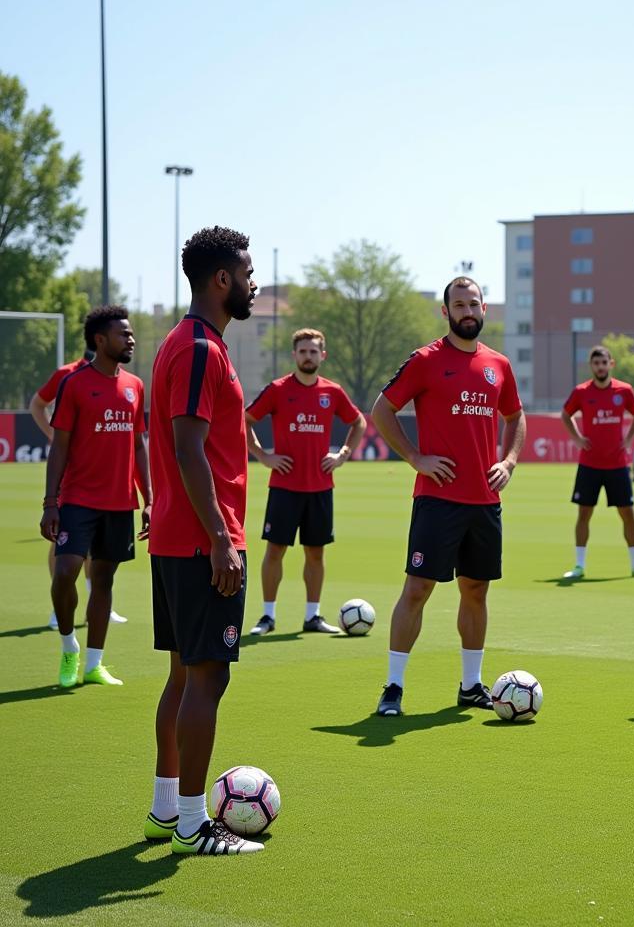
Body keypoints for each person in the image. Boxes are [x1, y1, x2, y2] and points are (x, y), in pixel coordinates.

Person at [145, 226, 264, 856]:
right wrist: (221, 537)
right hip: (201, 541)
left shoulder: (177, 343)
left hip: (177, 533)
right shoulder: (199, 349)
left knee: (181, 678)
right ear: (221, 279)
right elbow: (189, 448)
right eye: (245, 272)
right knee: (206, 680)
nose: (252, 281)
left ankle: (166, 811)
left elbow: (165, 443)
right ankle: (193, 824)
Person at [370, 276, 525, 716]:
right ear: (446, 312)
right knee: (417, 588)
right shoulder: (425, 360)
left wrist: (509, 461)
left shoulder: (499, 364)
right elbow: (382, 410)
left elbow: (516, 416)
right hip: (437, 500)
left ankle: (471, 686)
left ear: (484, 309)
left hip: (484, 501)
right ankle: (394, 688)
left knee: (475, 590)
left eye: (474, 303)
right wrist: (416, 457)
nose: (468, 311)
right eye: (459, 304)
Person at [39, 306, 150, 688]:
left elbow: (139, 445)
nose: (131, 339)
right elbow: (60, 448)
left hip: (120, 503)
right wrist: (50, 502)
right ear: (100, 340)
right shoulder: (74, 384)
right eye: (124, 334)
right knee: (66, 572)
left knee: (103, 582)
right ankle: (69, 645)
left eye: (132, 334)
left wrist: (148, 499)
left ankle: (94, 663)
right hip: (78, 499)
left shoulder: (136, 385)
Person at [245, 328, 366, 636]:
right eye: (303, 351)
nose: (308, 356)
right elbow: (244, 421)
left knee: (316, 553)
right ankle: (267, 616)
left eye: (314, 351)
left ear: (322, 355)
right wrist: (262, 455)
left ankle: (312, 616)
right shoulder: (277, 389)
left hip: (321, 488)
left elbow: (358, 422)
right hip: (284, 487)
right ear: (294, 355)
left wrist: (343, 454)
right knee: (275, 551)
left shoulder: (333, 391)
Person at [32, 350, 128, 628]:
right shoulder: (68, 374)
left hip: (106, 475)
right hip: (72, 474)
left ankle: (95, 605)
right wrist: (55, 436)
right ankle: (58, 607)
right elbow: (37, 404)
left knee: (99, 547)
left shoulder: (121, 377)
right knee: (62, 540)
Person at [560, 346, 634, 580]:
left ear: (611, 364)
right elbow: (565, 414)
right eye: (596, 363)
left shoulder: (624, 391)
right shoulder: (581, 392)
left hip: (617, 465)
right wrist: (577, 438)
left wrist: (629, 439)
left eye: (604, 362)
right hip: (589, 464)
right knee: (584, 514)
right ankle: (579, 566)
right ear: (591, 366)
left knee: (628, 514)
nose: (600, 367)